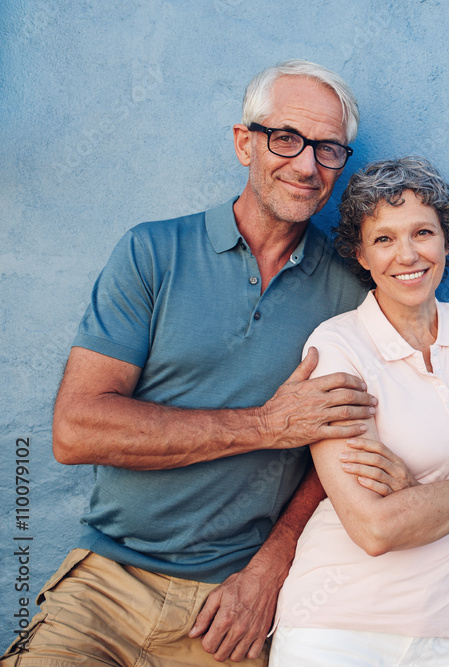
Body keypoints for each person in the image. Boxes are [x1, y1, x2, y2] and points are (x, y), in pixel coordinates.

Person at [1, 60, 414, 666]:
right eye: (287, 139)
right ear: (245, 142)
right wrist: (266, 426)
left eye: (329, 149)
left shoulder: (355, 290)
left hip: (234, 606)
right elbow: (76, 428)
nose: (307, 165)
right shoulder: (152, 252)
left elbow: (350, 450)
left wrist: (274, 564)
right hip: (104, 585)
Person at [269, 157, 449, 665]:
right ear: (362, 255)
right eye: (384, 239)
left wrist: (414, 496)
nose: (408, 254)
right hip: (335, 630)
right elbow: (375, 529)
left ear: (446, 241)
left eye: (423, 232)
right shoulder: (338, 346)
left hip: (447, 632)